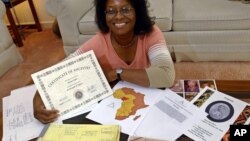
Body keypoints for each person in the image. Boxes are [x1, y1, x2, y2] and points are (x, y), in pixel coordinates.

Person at [33, 0, 175, 123]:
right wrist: (39, 93)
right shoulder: (100, 41)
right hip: (115, 104)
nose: (118, 16)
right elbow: (66, 65)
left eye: (125, 9)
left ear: (137, 11)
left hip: (146, 96)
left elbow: (166, 75)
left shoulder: (151, 34)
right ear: (104, 15)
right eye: (111, 11)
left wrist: (117, 73)